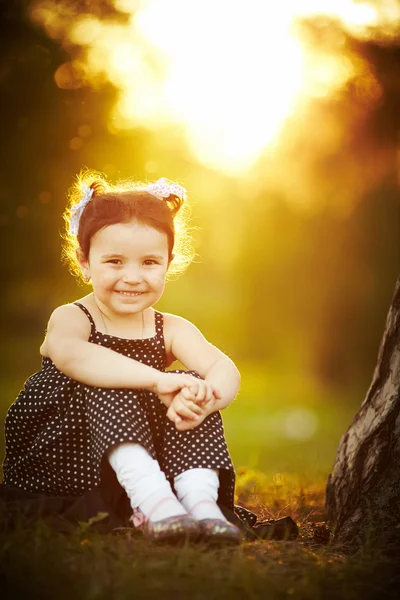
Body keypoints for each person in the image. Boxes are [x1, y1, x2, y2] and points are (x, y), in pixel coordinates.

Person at [1, 172, 256, 544]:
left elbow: (223, 367)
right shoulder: (73, 317)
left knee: (196, 387)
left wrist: (206, 397)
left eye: (149, 262)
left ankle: (199, 505)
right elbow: (75, 357)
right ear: (85, 262)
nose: (133, 277)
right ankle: (153, 503)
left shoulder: (170, 327)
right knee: (114, 380)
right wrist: (157, 379)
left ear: (169, 262)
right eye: (115, 262)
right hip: (70, 461)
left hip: (147, 458)